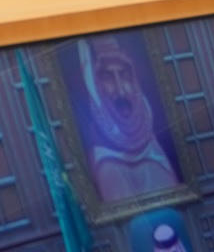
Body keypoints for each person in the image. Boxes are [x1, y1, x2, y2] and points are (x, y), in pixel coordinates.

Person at [74, 36, 181, 201]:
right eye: (108, 77)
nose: (121, 90)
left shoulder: (154, 149)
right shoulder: (105, 165)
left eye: (124, 75)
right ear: (95, 84)